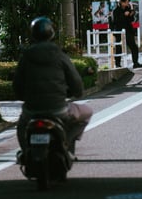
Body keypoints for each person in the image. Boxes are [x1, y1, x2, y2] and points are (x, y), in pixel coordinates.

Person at [13, 16, 92, 153]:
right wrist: (77, 92)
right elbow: (76, 82)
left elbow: (17, 86)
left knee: (21, 126)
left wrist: (24, 97)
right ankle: (66, 142)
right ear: (51, 33)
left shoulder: (26, 57)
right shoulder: (59, 55)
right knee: (87, 112)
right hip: (58, 108)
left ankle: (25, 151)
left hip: (31, 110)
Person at [111, 0, 142, 69]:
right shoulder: (116, 10)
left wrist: (131, 14)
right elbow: (116, 21)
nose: (127, 4)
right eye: (126, 2)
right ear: (122, 2)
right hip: (119, 31)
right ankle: (117, 64)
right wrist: (124, 15)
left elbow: (131, 20)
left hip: (128, 31)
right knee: (119, 47)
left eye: (128, 2)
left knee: (134, 47)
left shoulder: (127, 9)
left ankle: (135, 63)